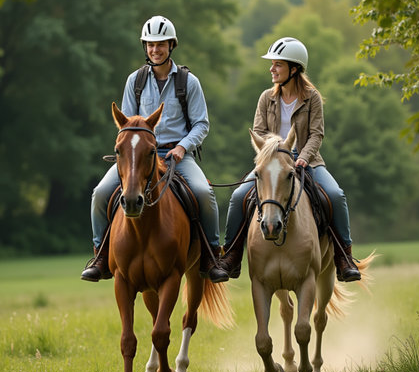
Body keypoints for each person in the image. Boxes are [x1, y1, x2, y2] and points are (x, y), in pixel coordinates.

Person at [81, 15, 228, 283]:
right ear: (145, 47)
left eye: (160, 44)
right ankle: (101, 256)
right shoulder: (134, 81)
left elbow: (201, 124)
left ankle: (211, 256)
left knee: (204, 194)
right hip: (138, 158)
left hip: (176, 156)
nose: (155, 50)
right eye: (150, 45)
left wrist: (183, 148)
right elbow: (125, 125)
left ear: (171, 45)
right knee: (100, 193)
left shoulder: (189, 82)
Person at [220, 37, 361, 282]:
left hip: (308, 161)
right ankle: (231, 255)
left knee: (335, 195)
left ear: (294, 69)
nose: (271, 69)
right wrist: (272, 155)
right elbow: (259, 132)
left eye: (277, 65)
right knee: (238, 197)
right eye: (272, 64)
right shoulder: (266, 98)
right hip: (272, 163)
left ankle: (344, 257)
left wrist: (303, 158)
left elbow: (317, 134)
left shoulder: (312, 98)